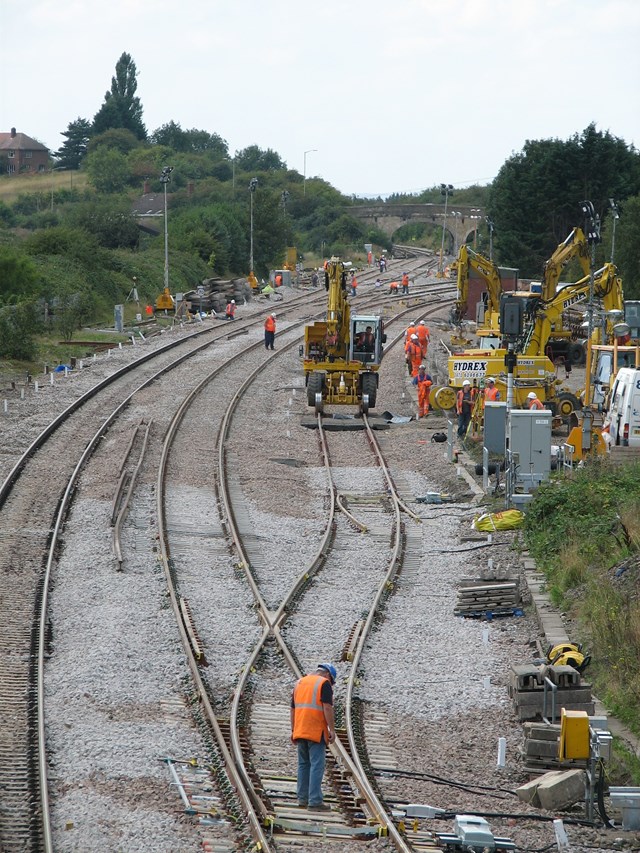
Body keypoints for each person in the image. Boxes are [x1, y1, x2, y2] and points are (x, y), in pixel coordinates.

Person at [291, 664, 336, 811]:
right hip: (316, 731)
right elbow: (327, 707)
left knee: (303, 764)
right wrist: (331, 729)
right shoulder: (324, 684)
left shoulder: (299, 683)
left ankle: (302, 798)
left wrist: (293, 729)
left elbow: (293, 708)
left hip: (300, 729)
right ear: (328, 675)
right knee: (317, 765)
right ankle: (315, 800)